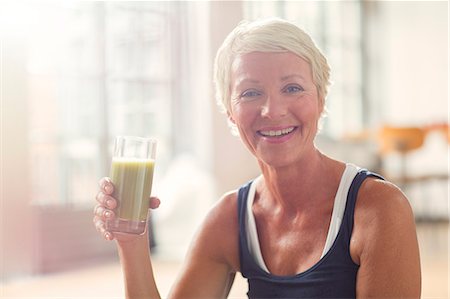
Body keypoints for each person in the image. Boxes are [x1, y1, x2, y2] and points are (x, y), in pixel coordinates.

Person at [93, 18, 421, 298]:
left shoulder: (378, 209)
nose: (273, 110)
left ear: (320, 100)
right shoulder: (229, 218)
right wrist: (131, 240)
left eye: (292, 88)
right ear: (230, 113)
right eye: (251, 93)